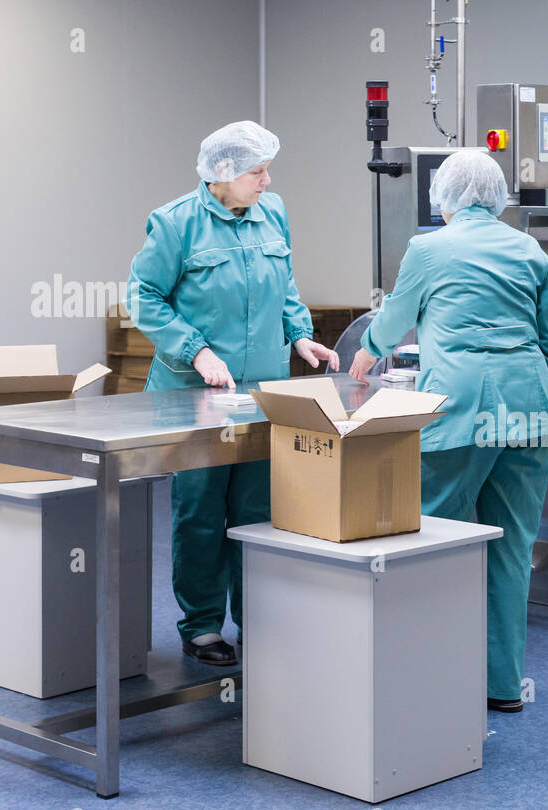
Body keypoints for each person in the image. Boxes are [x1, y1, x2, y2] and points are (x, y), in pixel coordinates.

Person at [348, 150, 548, 712]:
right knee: (512, 547)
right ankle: (501, 686)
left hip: (460, 408)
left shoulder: (428, 248)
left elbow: (395, 318)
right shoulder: (528, 248)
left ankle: (431, 681)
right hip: (529, 408)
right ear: (497, 197)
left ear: (442, 198)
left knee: (434, 543)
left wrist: (367, 354)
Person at [127, 120, 339, 666]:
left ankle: (257, 620)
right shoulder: (176, 225)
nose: (267, 180)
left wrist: (301, 337)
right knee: (200, 508)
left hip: (265, 390)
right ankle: (201, 627)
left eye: (268, 169)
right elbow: (145, 297)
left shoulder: (273, 212)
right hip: (194, 393)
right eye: (256, 171)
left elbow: (286, 283)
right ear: (222, 174)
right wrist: (195, 349)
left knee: (258, 507)